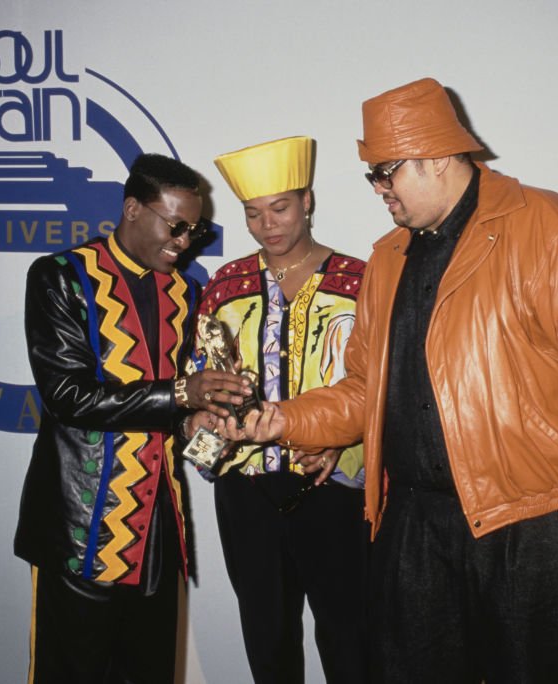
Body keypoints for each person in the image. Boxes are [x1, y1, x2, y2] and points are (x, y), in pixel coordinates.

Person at [221, 79, 558, 683]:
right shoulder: (388, 256)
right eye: (372, 176)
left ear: (437, 158)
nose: (378, 189)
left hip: (535, 522)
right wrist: (286, 419)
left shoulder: (551, 227)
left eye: (386, 172)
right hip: (415, 524)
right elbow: (366, 387)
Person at [14, 152, 250, 683]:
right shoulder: (60, 277)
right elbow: (68, 397)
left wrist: (202, 421)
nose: (185, 242)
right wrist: (180, 395)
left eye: (196, 229)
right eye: (176, 225)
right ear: (132, 209)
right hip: (80, 533)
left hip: (156, 532)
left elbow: (178, 409)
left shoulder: (186, 293)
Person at [198, 135, 369, 684]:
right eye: (253, 214)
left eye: (280, 208)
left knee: (351, 641)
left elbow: (381, 386)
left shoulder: (361, 282)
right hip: (246, 490)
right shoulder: (225, 285)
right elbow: (202, 379)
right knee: (267, 641)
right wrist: (201, 415)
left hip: (335, 487)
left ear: (308, 202)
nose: (268, 225)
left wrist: (342, 443)